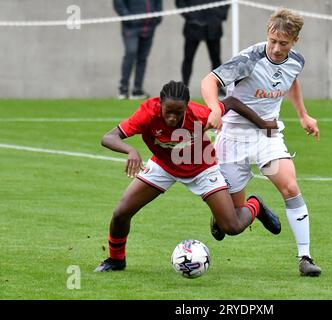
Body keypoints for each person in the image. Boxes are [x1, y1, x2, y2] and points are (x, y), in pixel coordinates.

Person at [94, 80, 280, 272]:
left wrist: (263, 123)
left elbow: (232, 102)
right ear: (160, 105)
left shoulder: (198, 114)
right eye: (168, 112)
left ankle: (255, 205)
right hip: (163, 166)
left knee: (231, 227)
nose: (173, 118)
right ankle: (116, 260)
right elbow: (108, 137)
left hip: (202, 169)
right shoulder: (147, 112)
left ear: (187, 107)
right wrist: (130, 150)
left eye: (178, 112)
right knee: (120, 213)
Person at [200, 8, 322, 277]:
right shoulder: (249, 59)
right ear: (268, 34)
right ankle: (252, 206)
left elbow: (291, 81)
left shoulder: (296, 61)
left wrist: (303, 115)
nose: (277, 48)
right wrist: (215, 108)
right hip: (233, 136)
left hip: (267, 135)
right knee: (232, 221)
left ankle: (305, 257)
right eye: (273, 41)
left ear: (295, 41)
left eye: (284, 44)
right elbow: (209, 80)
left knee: (290, 186)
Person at [175, 0, 229, 96]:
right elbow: (180, 3)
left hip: (213, 26)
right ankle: (184, 89)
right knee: (188, 58)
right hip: (193, 26)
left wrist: (219, 16)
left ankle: (218, 89)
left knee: (216, 59)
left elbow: (225, 4)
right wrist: (190, 16)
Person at [113, 0, 163, 100]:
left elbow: (158, 4)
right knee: (130, 53)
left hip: (149, 28)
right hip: (131, 28)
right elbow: (118, 3)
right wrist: (129, 18)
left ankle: (137, 90)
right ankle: (124, 89)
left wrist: (157, 18)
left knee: (143, 58)